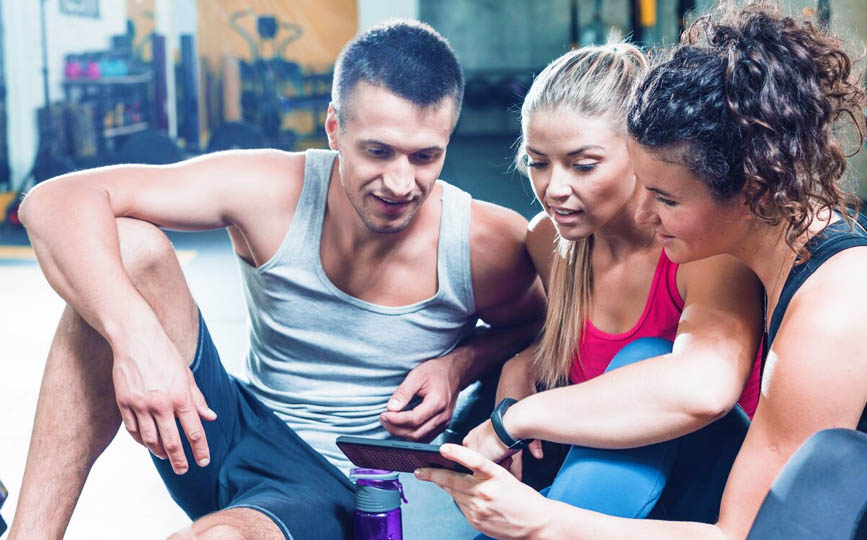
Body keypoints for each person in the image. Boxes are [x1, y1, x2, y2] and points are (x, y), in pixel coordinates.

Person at [417, 2, 867, 539]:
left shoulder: (834, 312)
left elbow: (742, 535)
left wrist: (541, 521)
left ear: (752, 188)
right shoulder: (792, 245)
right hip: (838, 512)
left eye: (666, 199)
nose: (646, 214)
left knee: (821, 452)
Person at [9, 20, 543, 540]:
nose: (401, 183)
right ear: (335, 128)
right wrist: (136, 339)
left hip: (338, 475)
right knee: (128, 248)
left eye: (426, 156)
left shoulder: (482, 242)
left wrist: (458, 365)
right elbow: (52, 202)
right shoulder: (272, 188)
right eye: (377, 151)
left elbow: (539, 326)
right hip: (221, 428)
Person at [445, 41, 764, 536]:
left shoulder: (704, 252)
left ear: (641, 154)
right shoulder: (547, 243)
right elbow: (556, 339)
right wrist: (519, 363)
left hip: (710, 499)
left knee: (647, 357)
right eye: (538, 162)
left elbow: (702, 388)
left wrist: (518, 419)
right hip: (601, 502)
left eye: (583, 164)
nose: (554, 187)